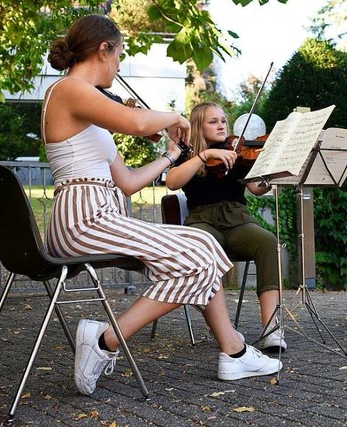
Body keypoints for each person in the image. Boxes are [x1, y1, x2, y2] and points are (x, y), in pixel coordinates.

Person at [42, 14, 281, 396]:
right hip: (83, 219)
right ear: (103, 50)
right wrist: (178, 117)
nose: (119, 65)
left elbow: (129, 182)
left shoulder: (88, 112)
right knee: (199, 248)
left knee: (201, 247)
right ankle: (106, 341)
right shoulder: (69, 89)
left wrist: (171, 156)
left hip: (101, 214)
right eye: (119, 55)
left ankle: (234, 353)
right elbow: (136, 123)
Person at [165, 102, 287, 352]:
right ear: (198, 126)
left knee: (267, 243)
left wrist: (273, 175)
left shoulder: (237, 151)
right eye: (213, 121)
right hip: (202, 221)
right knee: (206, 248)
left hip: (237, 219)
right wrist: (204, 156)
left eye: (223, 120)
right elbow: (172, 182)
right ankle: (225, 330)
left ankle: (271, 328)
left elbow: (256, 188)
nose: (221, 125)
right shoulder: (186, 154)